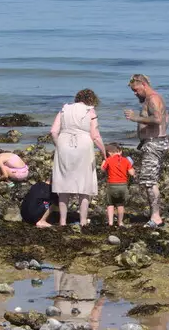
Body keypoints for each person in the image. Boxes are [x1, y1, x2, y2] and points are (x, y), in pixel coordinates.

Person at [50, 88, 105, 226]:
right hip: (84, 145)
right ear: (91, 100)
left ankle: (62, 221)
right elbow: (95, 136)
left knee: (63, 184)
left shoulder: (64, 109)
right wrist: (104, 152)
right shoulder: (90, 111)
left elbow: (53, 131)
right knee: (84, 184)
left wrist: (59, 145)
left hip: (64, 142)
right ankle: (82, 221)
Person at [122, 74, 169, 227]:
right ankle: (155, 216)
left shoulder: (153, 99)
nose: (135, 94)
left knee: (149, 181)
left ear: (143, 84)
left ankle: (156, 217)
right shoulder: (153, 99)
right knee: (150, 180)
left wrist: (136, 118)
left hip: (154, 143)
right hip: (154, 142)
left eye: (136, 90)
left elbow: (158, 120)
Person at [101, 144, 133, 227]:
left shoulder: (108, 160)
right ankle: (120, 222)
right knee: (120, 204)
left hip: (112, 185)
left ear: (110, 152)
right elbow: (131, 172)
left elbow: (102, 169)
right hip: (123, 185)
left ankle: (111, 222)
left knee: (110, 204)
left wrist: (104, 162)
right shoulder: (126, 160)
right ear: (120, 151)